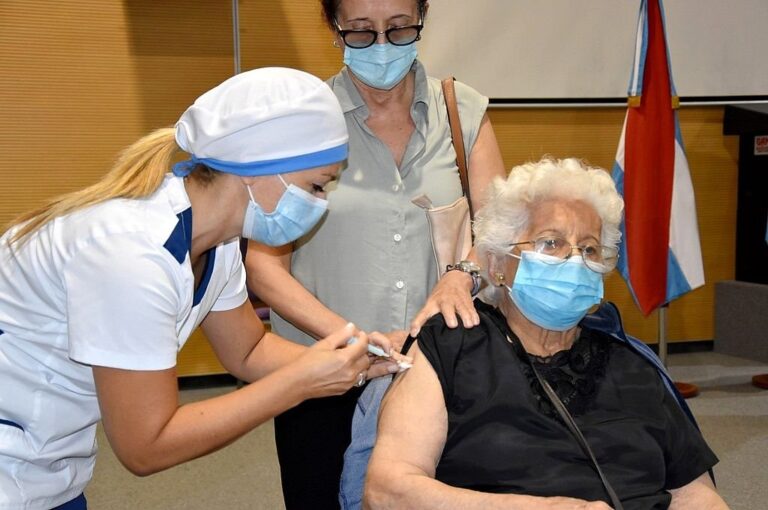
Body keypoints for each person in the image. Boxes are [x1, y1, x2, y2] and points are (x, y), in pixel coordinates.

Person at [0, 67, 401, 510]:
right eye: (316, 186)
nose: (320, 204)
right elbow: (146, 447)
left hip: (47, 468)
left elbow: (248, 351)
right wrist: (300, 383)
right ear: (256, 168)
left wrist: (355, 362)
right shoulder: (132, 254)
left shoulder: (217, 241)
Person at [243, 0, 506, 508]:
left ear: (422, 17)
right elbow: (263, 264)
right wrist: (353, 339)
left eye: (400, 28)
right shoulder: (303, 122)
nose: (382, 46)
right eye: (362, 32)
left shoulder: (463, 113)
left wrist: (463, 274)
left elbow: (498, 231)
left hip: (440, 375)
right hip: (323, 375)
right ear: (333, 26)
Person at [364, 158, 730, 509]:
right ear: (497, 263)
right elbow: (387, 492)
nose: (574, 259)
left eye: (589, 248)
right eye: (551, 242)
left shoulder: (632, 362)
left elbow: (696, 497)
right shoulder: (450, 347)